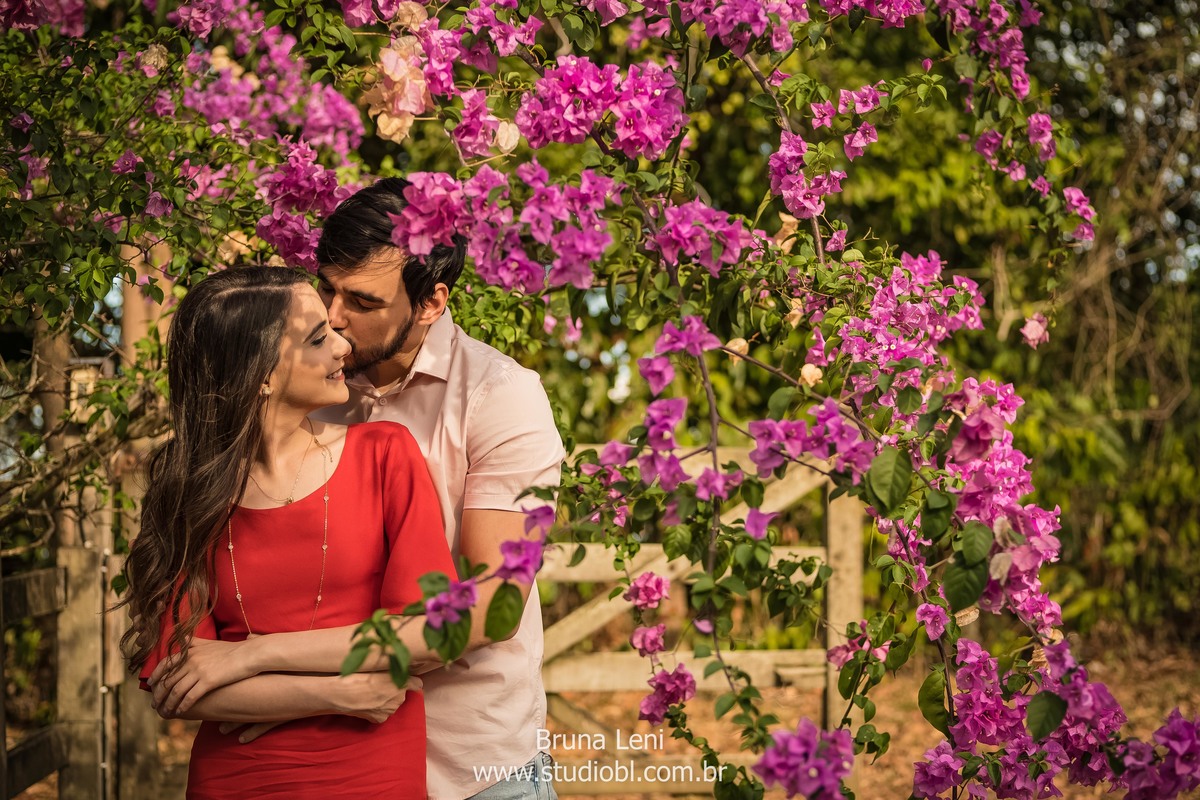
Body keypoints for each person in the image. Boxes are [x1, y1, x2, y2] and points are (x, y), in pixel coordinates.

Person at [149, 177, 565, 800]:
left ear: (430, 304)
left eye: (362, 303)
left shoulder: (503, 399)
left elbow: (492, 607)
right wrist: (314, 691)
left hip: (473, 762)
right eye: (327, 292)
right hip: (299, 747)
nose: (336, 321)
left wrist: (252, 656)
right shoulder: (313, 387)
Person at [122, 266, 456, 798]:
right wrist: (341, 693)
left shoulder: (385, 455)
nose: (343, 347)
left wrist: (251, 655)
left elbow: (431, 635)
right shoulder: (195, 491)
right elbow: (174, 682)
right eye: (318, 338)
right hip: (239, 776)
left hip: (371, 773)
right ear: (261, 374)